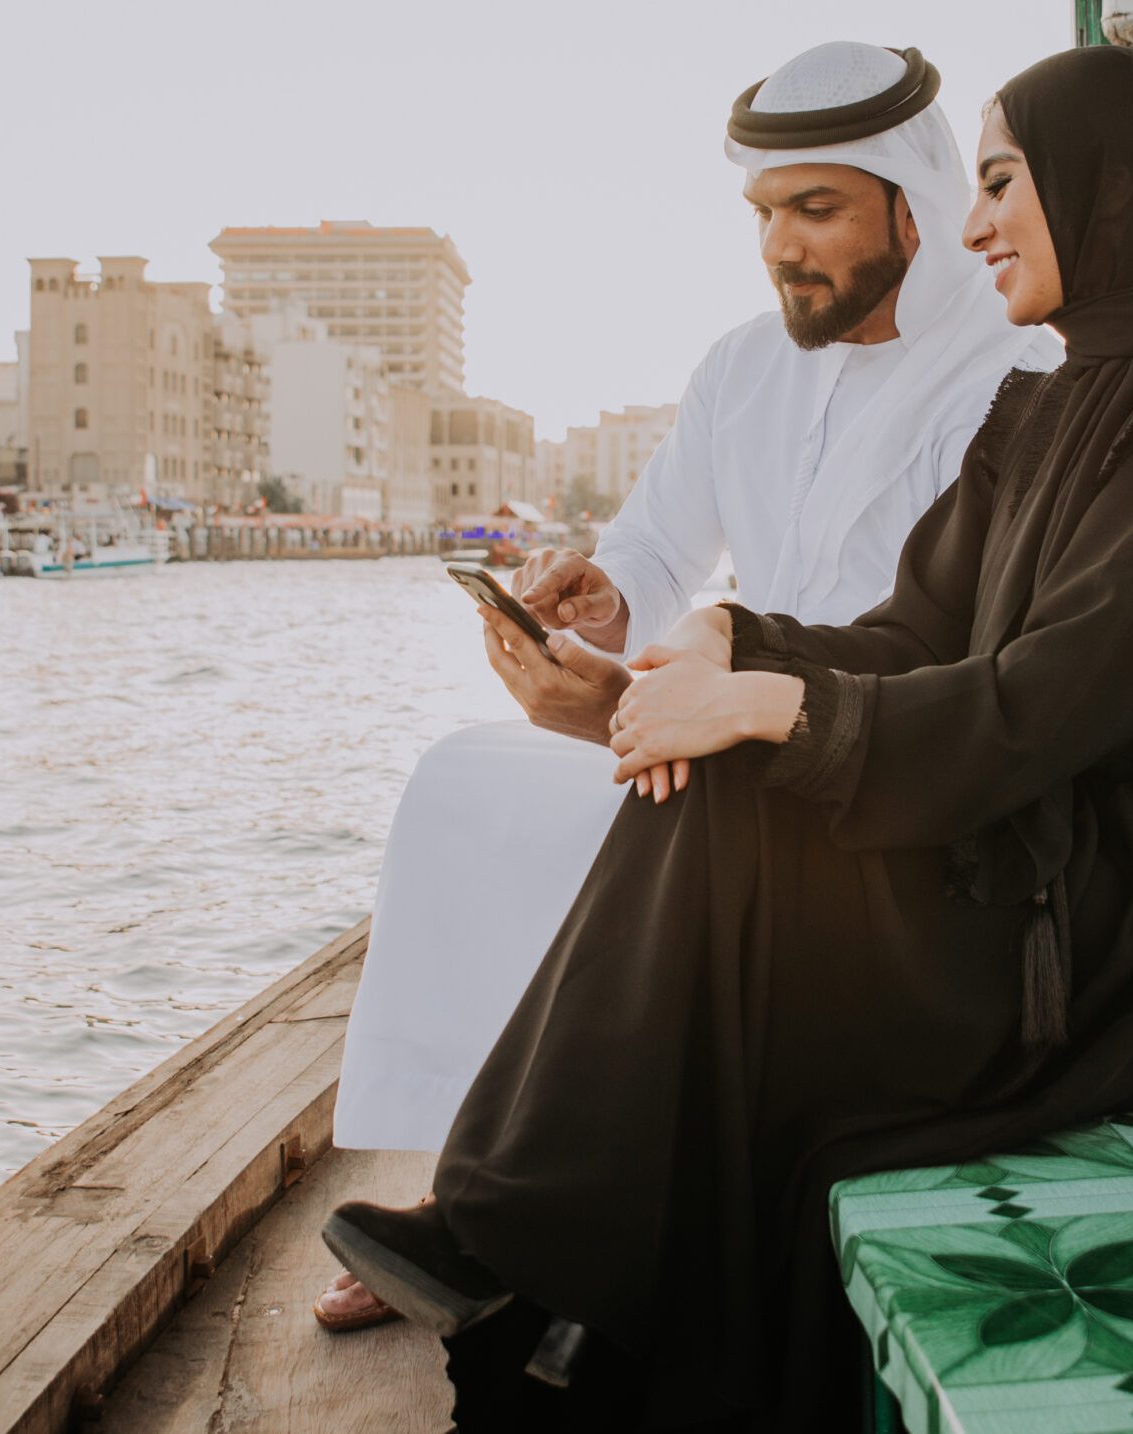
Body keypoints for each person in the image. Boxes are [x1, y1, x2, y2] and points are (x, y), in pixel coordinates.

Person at [322, 45, 1133, 1429]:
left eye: (1003, 186)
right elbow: (914, 629)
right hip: (1060, 855)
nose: (975, 225)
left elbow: (1039, 703)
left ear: (1109, 190)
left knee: (746, 833)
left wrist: (768, 705)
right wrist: (730, 644)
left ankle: (539, 1257)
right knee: (719, 793)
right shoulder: (1056, 402)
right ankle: (540, 1255)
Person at [319, 40, 1062, 1332]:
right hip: (717, 710)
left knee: (638, 804)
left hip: (856, 760)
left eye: (815, 210)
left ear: (916, 206)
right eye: (763, 214)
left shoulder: (1010, 373)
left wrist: (662, 700)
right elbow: (658, 550)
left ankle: (527, 1225)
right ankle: (467, 1182)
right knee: (464, 781)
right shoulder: (741, 368)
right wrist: (596, 605)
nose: (780, 247)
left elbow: (944, 649)